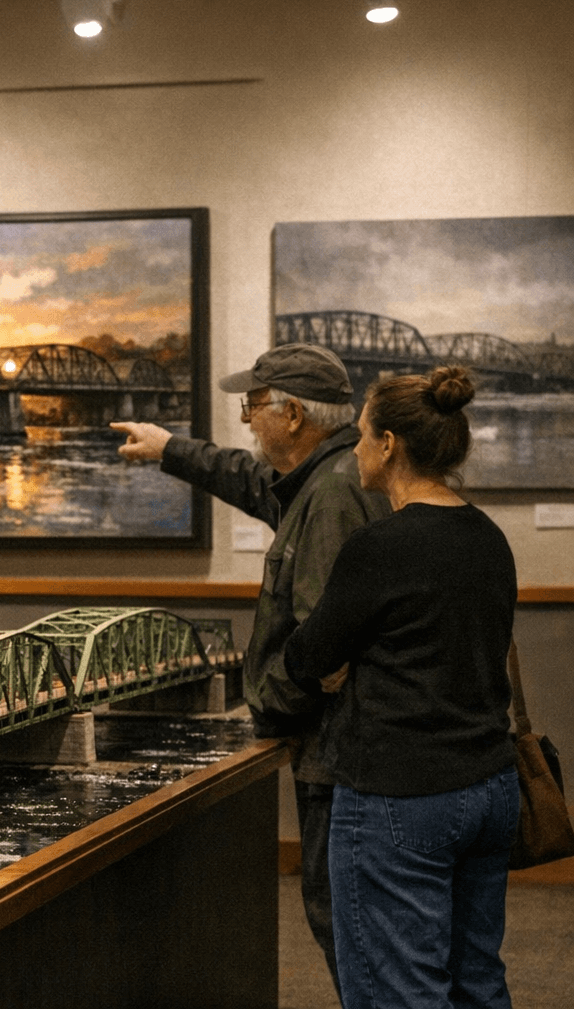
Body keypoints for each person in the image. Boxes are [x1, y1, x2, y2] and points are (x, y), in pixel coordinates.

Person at [112, 342, 390, 998]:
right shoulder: (325, 477)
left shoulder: (333, 493)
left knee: (351, 932)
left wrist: (276, 710)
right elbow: (246, 476)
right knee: (361, 933)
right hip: (343, 750)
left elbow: (326, 641)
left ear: (292, 414)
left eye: (253, 405)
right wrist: (168, 448)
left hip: (338, 755)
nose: (245, 419)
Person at [284, 367, 517, 1009]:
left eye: (360, 435)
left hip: (401, 793)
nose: (354, 450)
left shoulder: (378, 547)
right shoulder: (489, 537)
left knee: (400, 993)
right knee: (476, 982)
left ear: (388, 445)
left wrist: (346, 660)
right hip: (490, 787)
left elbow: (308, 656)